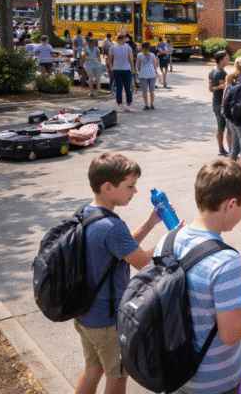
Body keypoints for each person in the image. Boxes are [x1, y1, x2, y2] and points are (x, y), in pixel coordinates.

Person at [154, 159, 241, 394]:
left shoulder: (168, 240)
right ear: (230, 205)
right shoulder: (225, 261)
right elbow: (231, 334)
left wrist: (236, 287)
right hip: (214, 381)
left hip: (177, 370)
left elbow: (190, 291)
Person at [73, 152, 166, 394]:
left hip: (85, 313)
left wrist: (149, 223)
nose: (135, 192)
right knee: (118, 376)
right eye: (130, 186)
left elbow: (122, 249)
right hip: (107, 320)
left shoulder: (87, 212)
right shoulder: (112, 226)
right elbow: (143, 262)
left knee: (93, 369)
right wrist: (172, 238)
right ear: (107, 187)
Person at [209, 52, 231, 156]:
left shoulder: (212, 70)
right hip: (221, 102)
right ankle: (230, 150)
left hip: (215, 102)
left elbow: (211, 88)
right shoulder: (222, 73)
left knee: (220, 126)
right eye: (226, 58)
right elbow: (224, 88)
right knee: (227, 128)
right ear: (221, 60)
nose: (228, 59)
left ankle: (221, 148)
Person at [108, 34, 135, 112]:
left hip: (126, 69)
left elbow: (130, 58)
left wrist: (132, 68)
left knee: (128, 88)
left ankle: (128, 105)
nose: (125, 41)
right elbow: (110, 59)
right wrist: (111, 67)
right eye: (124, 39)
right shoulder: (113, 47)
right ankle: (119, 105)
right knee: (119, 88)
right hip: (117, 69)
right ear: (120, 39)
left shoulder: (127, 47)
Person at [136, 41, 160, 110]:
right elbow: (155, 66)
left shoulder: (139, 55)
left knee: (144, 91)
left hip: (143, 75)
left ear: (142, 47)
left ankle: (146, 105)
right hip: (152, 74)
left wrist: (137, 71)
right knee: (152, 91)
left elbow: (137, 65)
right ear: (149, 47)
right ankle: (152, 104)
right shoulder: (152, 55)